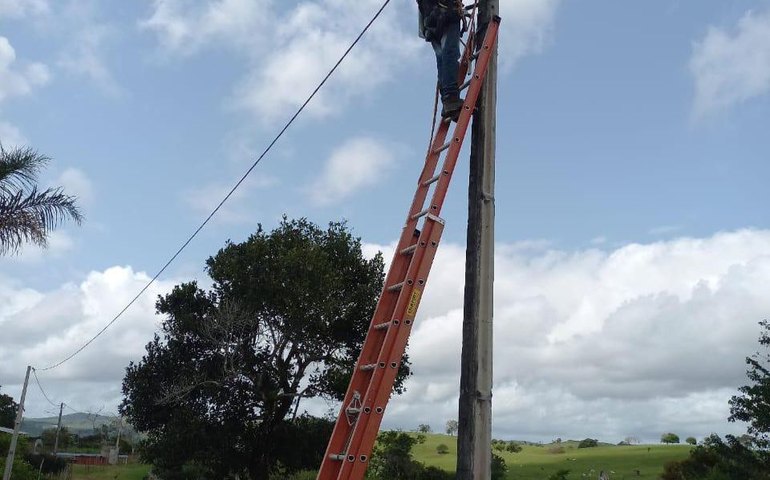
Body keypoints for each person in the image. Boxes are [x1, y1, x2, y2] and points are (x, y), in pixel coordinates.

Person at [417, 0, 464, 121]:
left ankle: (448, 102)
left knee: (443, 58)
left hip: (430, 20)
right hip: (445, 14)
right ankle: (450, 100)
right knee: (450, 54)